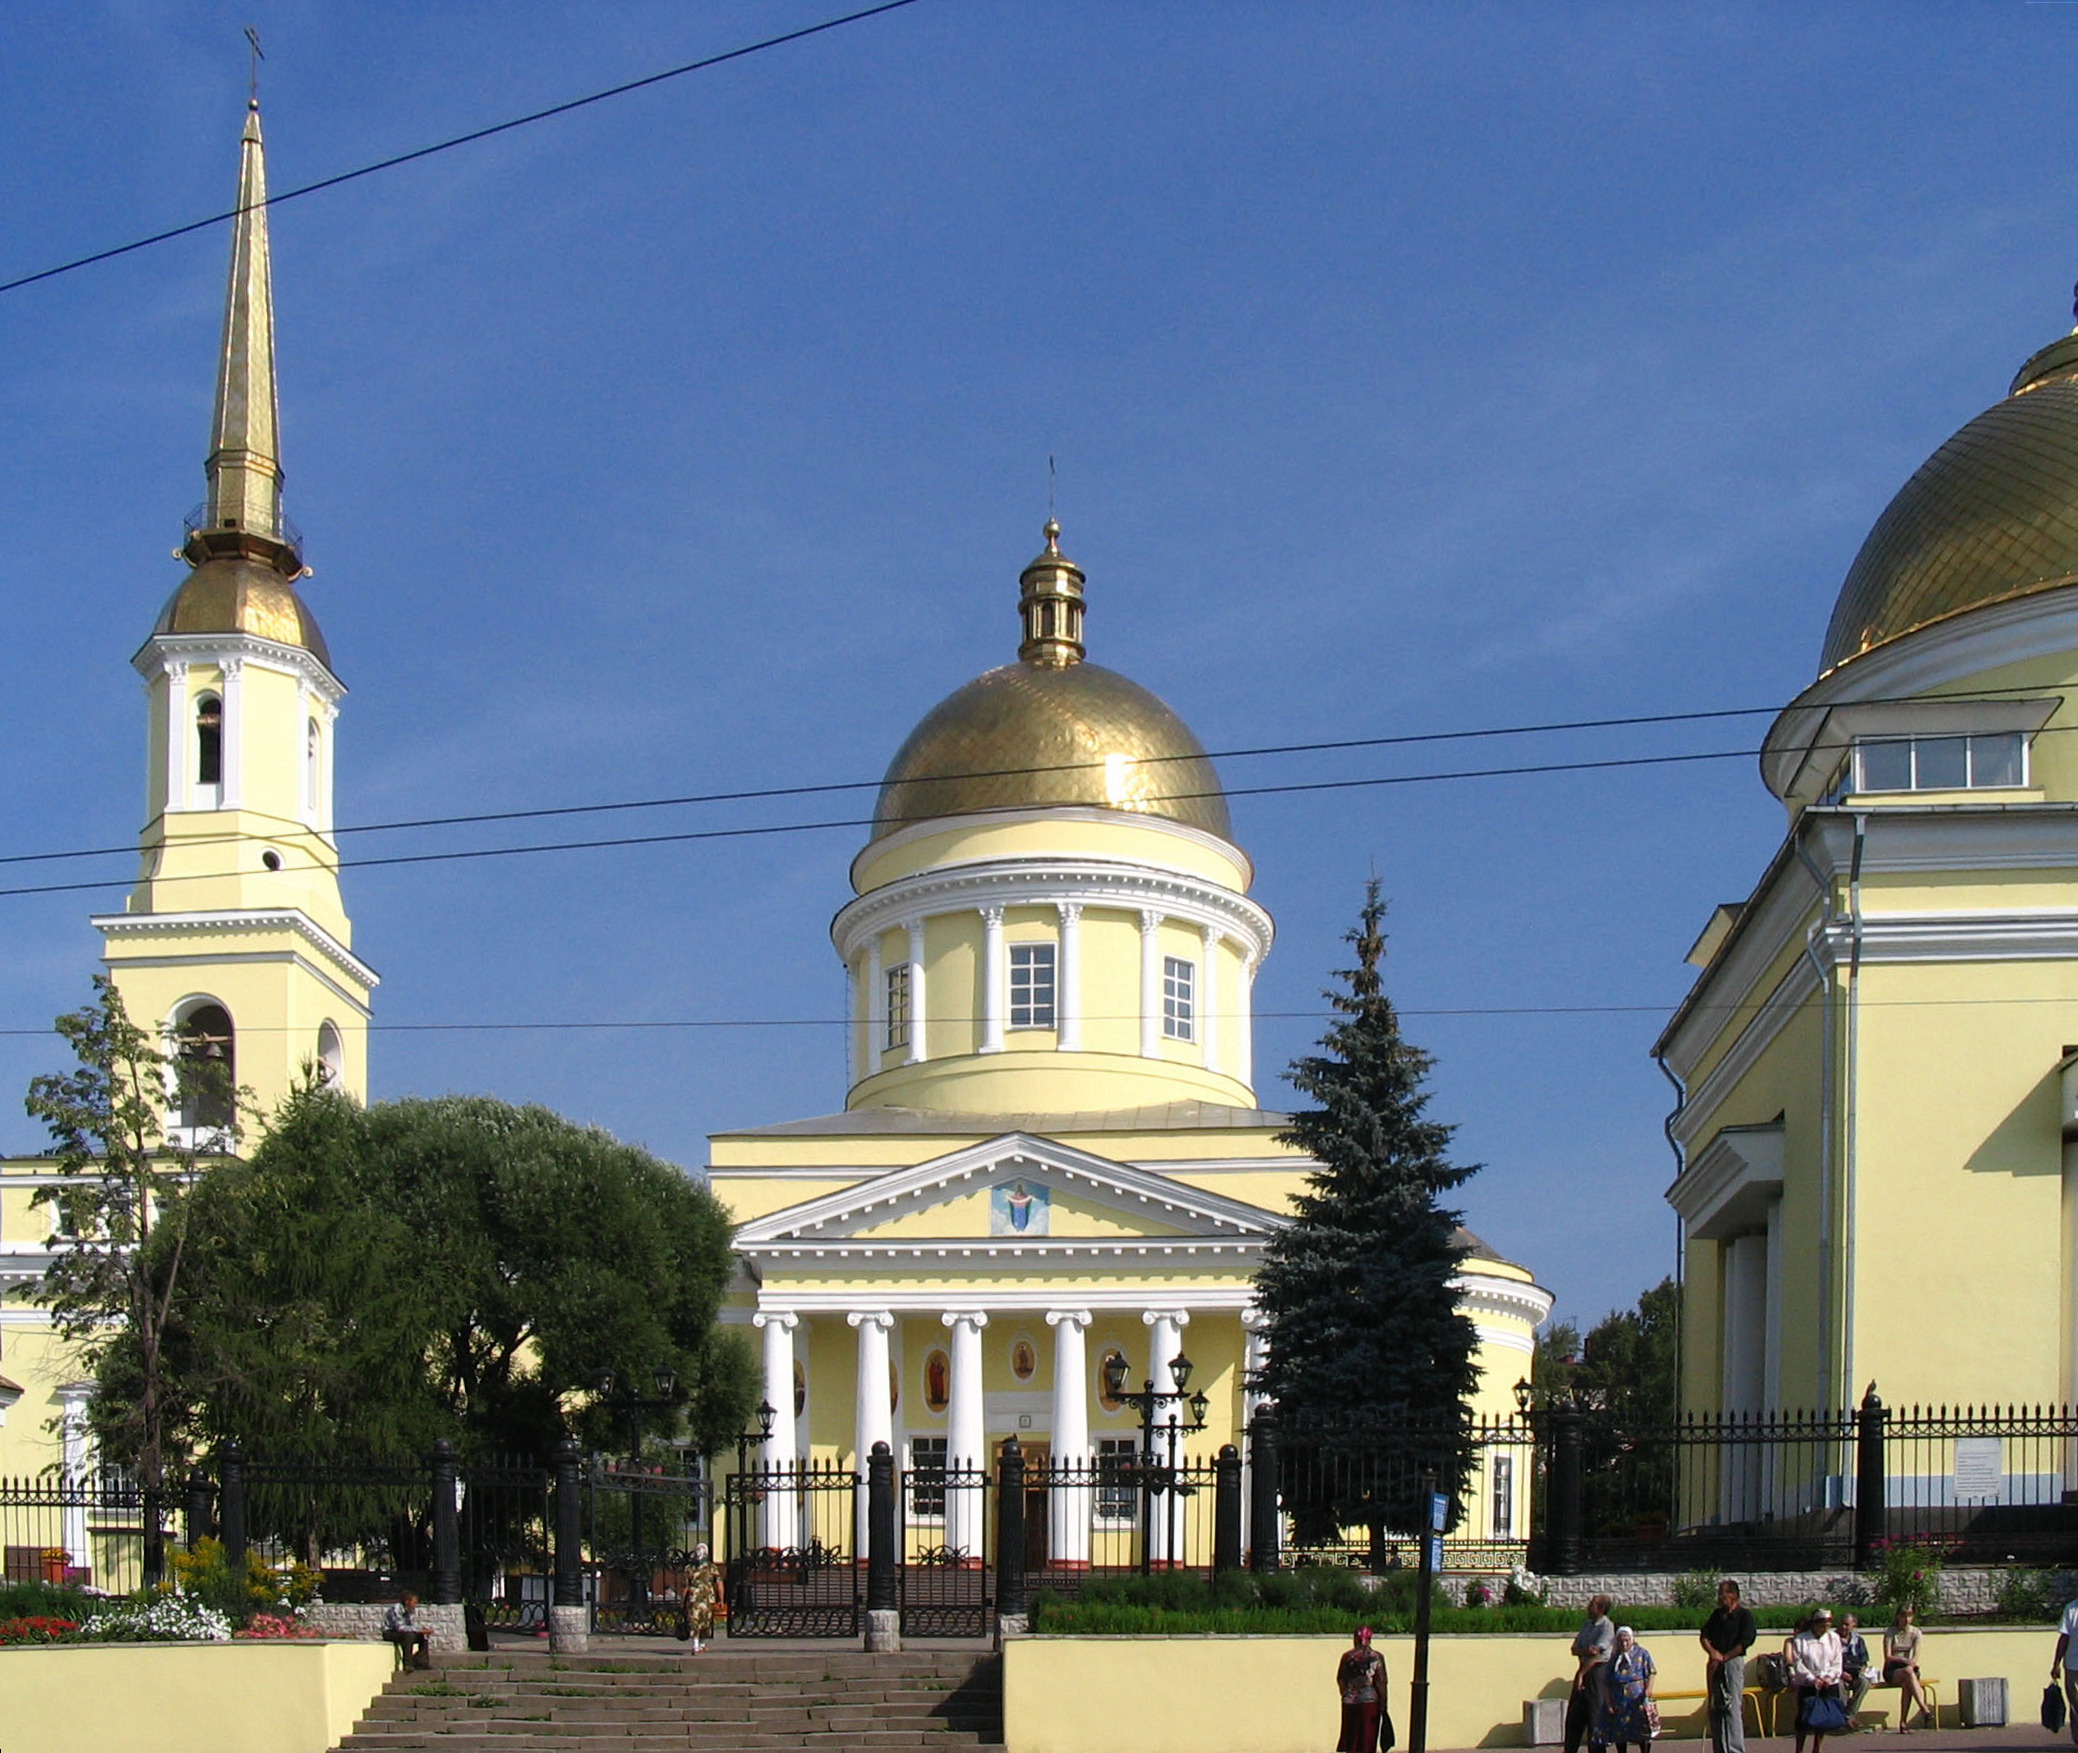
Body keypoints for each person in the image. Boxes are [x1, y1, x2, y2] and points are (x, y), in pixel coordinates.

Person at [1700, 1578, 1758, 1753]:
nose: (1720, 1597)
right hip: (1715, 1662)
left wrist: (1726, 1657)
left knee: (1732, 1707)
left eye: (1723, 1594)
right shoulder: (1716, 1616)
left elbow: (1746, 1641)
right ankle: (1719, 1748)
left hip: (1733, 1662)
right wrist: (1713, 1653)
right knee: (1716, 1706)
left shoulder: (1744, 1616)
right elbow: (1704, 1636)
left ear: (1733, 1595)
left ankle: (1734, 1749)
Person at [1788, 1607, 1846, 1753]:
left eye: (1827, 1625)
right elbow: (1798, 1662)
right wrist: (1811, 1678)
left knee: (1823, 1718)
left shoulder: (1834, 1638)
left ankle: (1817, 1748)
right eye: (1822, 1625)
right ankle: (1799, 1749)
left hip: (1827, 1683)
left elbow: (1837, 1661)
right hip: (1808, 1683)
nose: (1824, 1629)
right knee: (1803, 1718)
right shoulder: (1801, 1639)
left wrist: (1829, 1676)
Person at [1568, 1594, 1617, 1753]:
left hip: (1597, 1674)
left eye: (1593, 1604)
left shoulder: (1607, 1626)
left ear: (1601, 1609)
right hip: (1583, 1669)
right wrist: (1585, 1652)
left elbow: (1597, 1654)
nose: (1589, 1607)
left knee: (1595, 1718)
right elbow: (1575, 1649)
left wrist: (1582, 1672)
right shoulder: (1587, 1625)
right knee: (1574, 1718)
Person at [1597, 1626, 1658, 1753]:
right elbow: (1606, 1682)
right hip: (1619, 1701)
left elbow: (1651, 1672)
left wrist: (1648, 1689)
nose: (1624, 1644)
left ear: (1632, 1639)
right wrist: (1608, 1703)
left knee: (1643, 1732)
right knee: (1620, 1734)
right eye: (1621, 1641)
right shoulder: (1614, 1658)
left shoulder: (1642, 1653)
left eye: (1627, 1640)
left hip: (1637, 1700)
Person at [1336, 1626, 1388, 1753]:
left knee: (1352, 1737)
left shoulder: (1347, 1657)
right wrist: (1383, 1704)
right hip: (1370, 1702)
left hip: (1350, 1702)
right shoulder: (1376, 1657)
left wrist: (1346, 1695)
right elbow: (1381, 1681)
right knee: (1367, 1739)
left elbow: (1341, 1679)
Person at [1885, 1604, 1932, 1731]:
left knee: (1908, 1677)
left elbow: (1915, 1657)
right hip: (1892, 1669)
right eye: (1903, 1616)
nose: (1906, 1619)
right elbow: (1888, 1657)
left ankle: (1903, 1722)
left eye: (1909, 1616)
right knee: (1908, 1673)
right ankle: (1923, 1708)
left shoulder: (1916, 1632)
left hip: (1908, 1669)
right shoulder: (1891, 1632)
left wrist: (1910, 1662)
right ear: (1898, 1617)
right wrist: (1903, 1660)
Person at [2050, 1586, 2078, 1745]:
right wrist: (2056, 1664)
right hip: (2073, 1665)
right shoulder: (2072, 1609)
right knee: (2075, 1705)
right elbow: (2064, 1638)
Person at [685, 1541, 723, 1653]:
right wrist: (721, 1599)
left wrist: (683, 1601)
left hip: (698, 1599)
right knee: (701, 1621)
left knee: (698, 1621)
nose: (699, 1552)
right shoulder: (710, 1567)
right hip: (703, 1599)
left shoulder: (692, 1568)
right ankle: (698, 1645)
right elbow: (719, 1584)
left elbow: (685, 1586)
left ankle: (699, 1644)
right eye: (699, 1550)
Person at [383, 1591, 432, 1669]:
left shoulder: (408, 1610)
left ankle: (421, 1662)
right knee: (409, 1636)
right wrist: (418, 1630)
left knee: (422, 1637)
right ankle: (407, 1664)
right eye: (414, 1603)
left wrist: (422, 1630)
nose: (415, 1605)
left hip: (401, 1632)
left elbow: (411, 1626)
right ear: (407, 1602)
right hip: (390, 1632)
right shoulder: (396, 1609)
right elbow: (400, 1628)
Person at [1839, 1614, 1871, 1727]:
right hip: (1839, 1673)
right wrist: (1841, 1673)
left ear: (1853, 1625)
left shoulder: (1858, 1640)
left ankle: (1849, 1716)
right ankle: (1844, 1718)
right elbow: (1829, 1661)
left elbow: (1864, 1662)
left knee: (1864, 1683)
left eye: (1847, 1625)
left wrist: (1860, 1672)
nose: (1843, 1627)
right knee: (1839, 1685)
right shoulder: (1833, 1639)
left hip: (1855, 1674)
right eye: (1842, 1624)